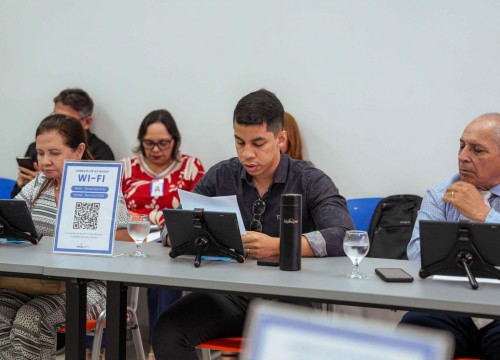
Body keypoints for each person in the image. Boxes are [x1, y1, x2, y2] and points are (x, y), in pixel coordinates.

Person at [151, 89, 354, 359]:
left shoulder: (310, 180)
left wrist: (281, 247)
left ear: (281, 139)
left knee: (275, 341)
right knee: (168, 330)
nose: (247, 154)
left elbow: (344, 235)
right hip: (232, 296)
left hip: (292, 297)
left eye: (258, 143)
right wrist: (187, 236)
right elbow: (171, 225)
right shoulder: (222, 175)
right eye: (239, 142)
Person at [0, 114, 129, 360]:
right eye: (40, 153)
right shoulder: (38, 184)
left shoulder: (102, 184)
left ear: (79, 151)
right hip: (39, 282)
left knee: (31, 319)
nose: (45, 161)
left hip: (91, 286)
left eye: (54, 153)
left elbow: (123, 242)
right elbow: (9, 220)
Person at [402, 113, 500, 359]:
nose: (463, 156)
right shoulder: (440, 194)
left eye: (477, 150)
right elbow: (417, 255)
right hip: (448, 307)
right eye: (461, 145)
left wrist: (483, 215)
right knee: (409, 342)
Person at [121, 109, 205, 359]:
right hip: (130, 241)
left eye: (163, 143)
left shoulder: (191, 167)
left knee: (163, 275)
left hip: (172, 245)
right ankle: (107, 346)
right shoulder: (127, 167)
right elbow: (116, 207)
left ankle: (159, 350)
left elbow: (198, 208)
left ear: (175, 142)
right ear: (141, 142)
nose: (156, 149)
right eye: (149, 143)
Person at [12, 88, 115, 198]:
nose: (45, 161)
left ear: (87, 122)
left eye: (55, 153)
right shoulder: (36, 147)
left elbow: (101, 198)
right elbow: (14, 203)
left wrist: (46, 183)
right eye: (54, 116)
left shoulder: (101, 153)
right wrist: (23, 185)